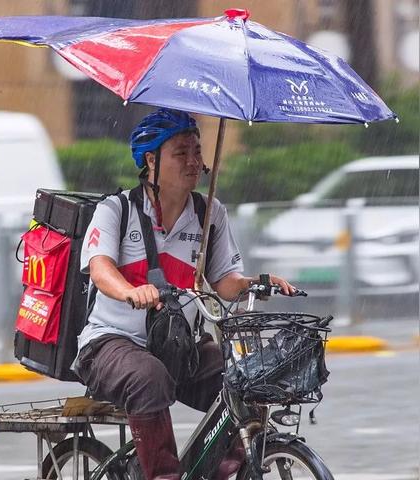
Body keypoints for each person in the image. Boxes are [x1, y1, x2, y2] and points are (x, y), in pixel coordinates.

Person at [74, 108, 296, 480]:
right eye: (181, 152)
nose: (195, 161)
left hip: (180, 347)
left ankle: (228, 470)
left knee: (248, 379)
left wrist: (259, 281)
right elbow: (100, 270)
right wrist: (131, 291)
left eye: (197, 150)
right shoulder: (117, 209)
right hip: (110, 344)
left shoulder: (209, 213)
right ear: (151, 159)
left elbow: (225, 281)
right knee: (149, 376)